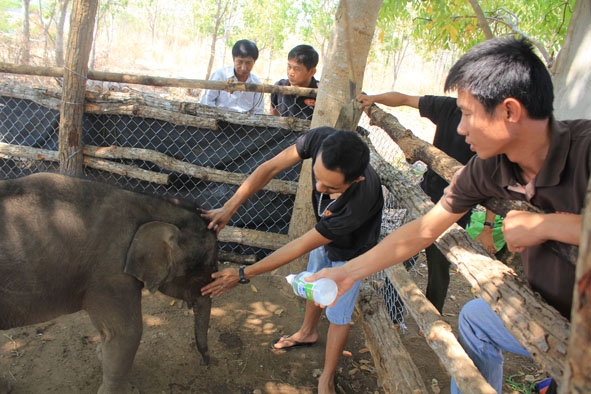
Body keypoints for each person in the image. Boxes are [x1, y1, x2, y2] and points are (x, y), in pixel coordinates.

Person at [309, 37, 590, 393]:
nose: (460, 128)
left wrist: (548, 225)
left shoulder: (585, 149)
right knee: (475, 318)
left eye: (469, 114)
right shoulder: (486, 168)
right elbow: (423, 231)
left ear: (509, 111)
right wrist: (348, 272)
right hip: (548, 317)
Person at [200, 127, 384, 394]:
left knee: (338, 313)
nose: (319, 188)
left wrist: (243, 273)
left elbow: (300, 245)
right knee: (313, 282)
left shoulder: (358, 201)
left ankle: (327, 377)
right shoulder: (320, 139)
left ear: (354, 181)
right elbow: (270, 167)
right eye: (317, 178)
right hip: (326, 228)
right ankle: (308, 331)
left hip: (354, 250)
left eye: (330, 187)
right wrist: (230, 206)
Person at [356, 91, 504, 313]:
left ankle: (434, 316)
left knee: (439, 266)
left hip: (457, 211)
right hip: (425, 197)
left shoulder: (496, 125)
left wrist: (488, 227)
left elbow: (497, 183)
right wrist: (373, 99)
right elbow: (405, 99)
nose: (464, 128)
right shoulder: (449, 107)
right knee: (402, 255)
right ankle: (392, 309)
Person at [199, 39, 264, 114]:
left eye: (248, 63)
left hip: (244, 122)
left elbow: (258, 111)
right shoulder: (220, 75)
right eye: (240, 62)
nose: (243, 67)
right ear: (233, 59)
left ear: (254, 62)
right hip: (219, 119)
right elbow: (206, 101)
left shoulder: (257, 84)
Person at [270, 44, 319, 120]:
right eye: (289, 67)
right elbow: (273, 113)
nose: (291, 73)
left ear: (312, 71)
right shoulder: (279, 86)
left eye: (297, 69)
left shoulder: (319, 92)